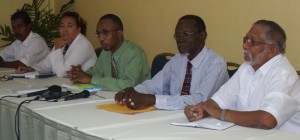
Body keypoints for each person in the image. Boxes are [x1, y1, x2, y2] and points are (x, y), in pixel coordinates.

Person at [184, 20, 300, 133]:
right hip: (247, 134)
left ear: (271, 50)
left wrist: (220, 113)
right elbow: (218, 101)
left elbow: (267, 120)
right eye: (246, 39)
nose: (244, 45)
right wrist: (202, 109)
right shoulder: (246, 68)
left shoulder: (283, 74)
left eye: (252, 42)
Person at [115, 15, 229, 110]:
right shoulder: (178, 59)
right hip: (174, 116)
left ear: (202, 35)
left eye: (186, 34)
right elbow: (155, 84)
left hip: (205, 122)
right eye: (177, 35)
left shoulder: (216, 64)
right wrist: (133, 91)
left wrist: (153, 99)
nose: (180, 39)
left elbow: (199, 100)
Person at [67, 14, 150, 91]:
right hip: (110, 98)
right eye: (98, 33)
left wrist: (90, 79)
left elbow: (129, 85)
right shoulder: (106, 52)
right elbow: (95, 72)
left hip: (136, 100)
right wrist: (79, 74)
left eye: (105, 33)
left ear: (119, 33)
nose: (101, 38)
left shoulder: (135, 53)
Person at [16, 11, 97, 77]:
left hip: (87, 89)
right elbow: (47, 64)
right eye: (62, 26)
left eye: (70, 26)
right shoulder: (62, 41)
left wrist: (58, 48)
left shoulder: (83, 45)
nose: (65, 30)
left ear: (79, 29)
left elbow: (63, 73)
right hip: (67, 84)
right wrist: (30, 68)